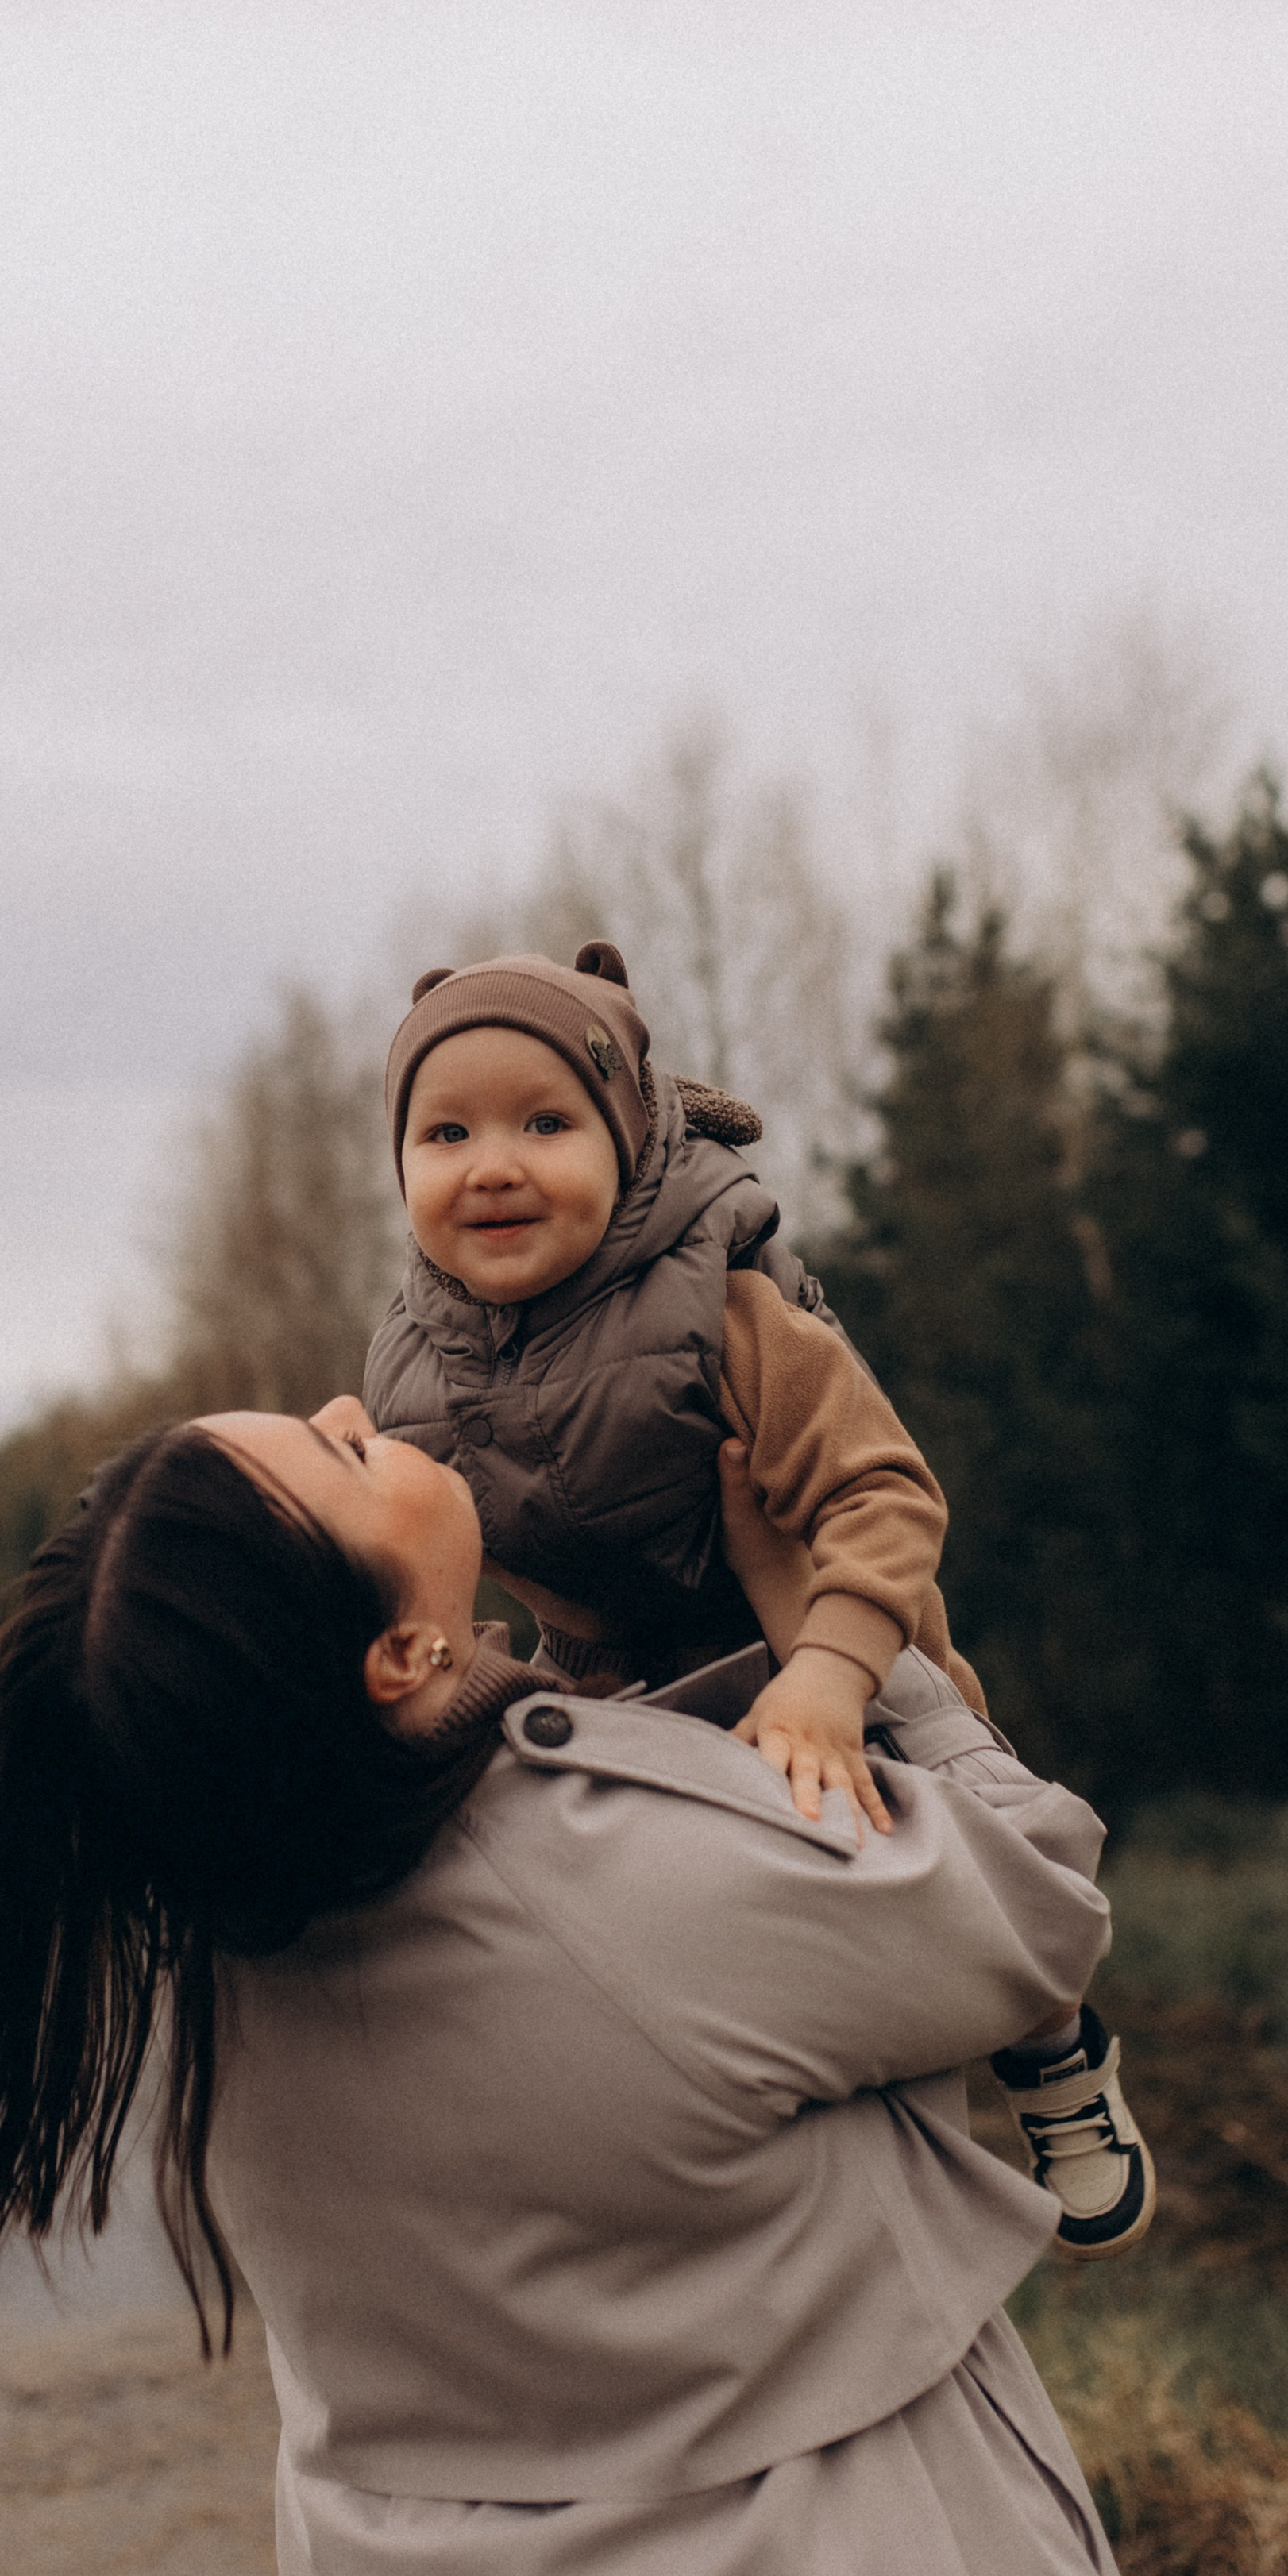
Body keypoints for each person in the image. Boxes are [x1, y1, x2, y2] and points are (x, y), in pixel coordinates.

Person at [0, 1401, 1188, 2576]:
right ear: (397, 1655)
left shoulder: (226, 1963)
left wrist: (595, 1658)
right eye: (336, 1457)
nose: (347, 1407)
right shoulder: (635, 1896)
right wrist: (859, 1657)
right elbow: (1036, 1895)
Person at [364, 940, 1154, 2256]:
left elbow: (886, 1495)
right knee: (649, 1919)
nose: (492, 1163)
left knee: (986, 1840)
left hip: (819, 1624)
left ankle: (1056, 2048)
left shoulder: (722, 1309)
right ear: (402, 1172)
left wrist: (831, 1671)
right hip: (615, 1676)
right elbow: (419, 1566)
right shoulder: (414, 1368)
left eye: (546, 1121)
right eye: (445, 1132)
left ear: (627, 1137)